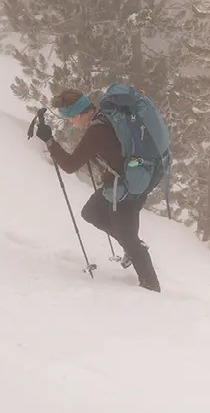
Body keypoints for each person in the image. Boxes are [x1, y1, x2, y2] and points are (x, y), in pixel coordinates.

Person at [33, 88, 161, 292]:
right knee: (91, 212)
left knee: (128, 237)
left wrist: (50, 141)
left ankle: (151, 288)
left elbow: (70, 165)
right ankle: (132, 246)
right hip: (126, 181)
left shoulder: (97, 131)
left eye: (69, 119)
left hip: (127, 189)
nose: (71, 123)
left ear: (77, 114)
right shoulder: (106, 115)